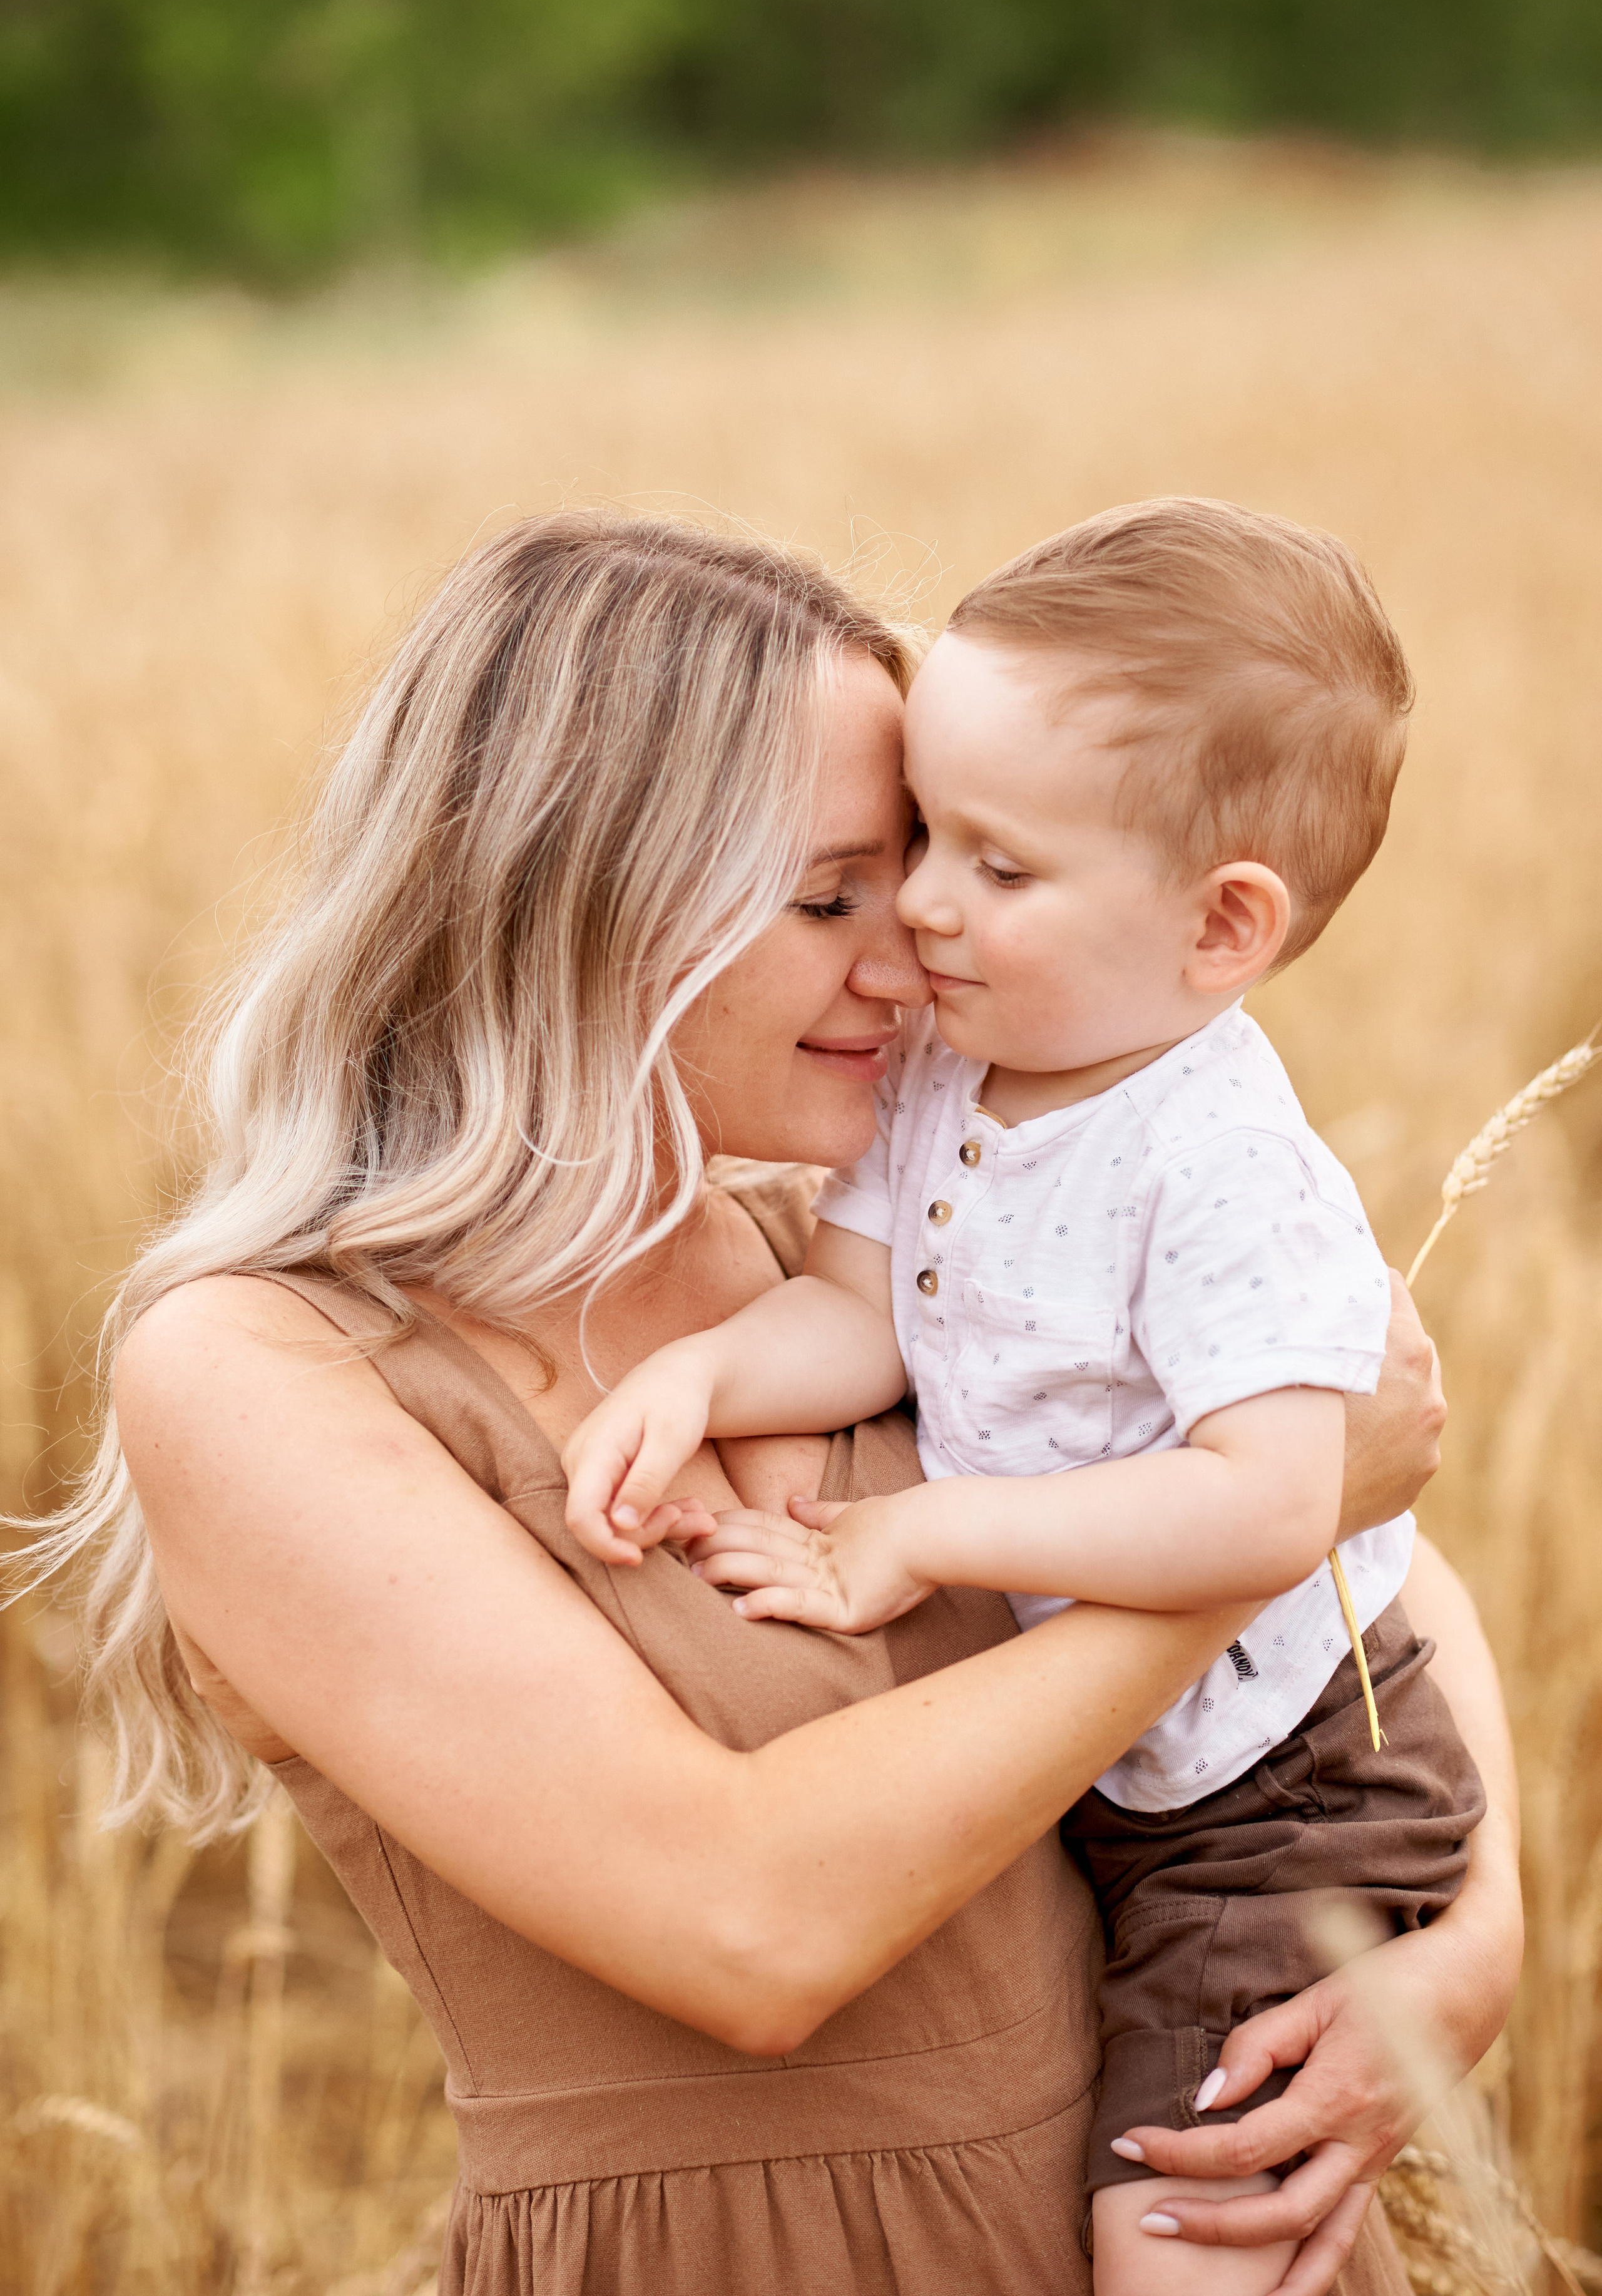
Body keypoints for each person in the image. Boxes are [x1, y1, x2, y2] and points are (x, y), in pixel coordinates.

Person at [48, 511, 1519, 2296]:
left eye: (940, 867)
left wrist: (1470, 1940)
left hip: (1180, 2205)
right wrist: (1249, 1532)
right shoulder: (261, 1368)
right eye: (834, 898)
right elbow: (750, 1925)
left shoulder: (852, 1239)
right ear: (570, 898)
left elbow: (1383, 1568)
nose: (917, 952)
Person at [561, 500, 1491, 2296]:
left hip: (1272, 1793)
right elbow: (864, 1316)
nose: (920, 909)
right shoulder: (952, 1069)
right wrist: (700, 1372)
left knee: (1180, 2228)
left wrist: (923, 1534)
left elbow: (1276, 1502)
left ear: (1222, 925)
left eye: (996, 866)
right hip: (1115, 1772)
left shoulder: (1221, 1167)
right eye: (919, 840)